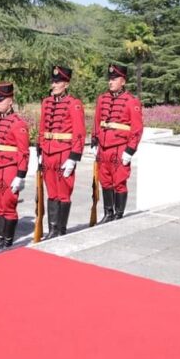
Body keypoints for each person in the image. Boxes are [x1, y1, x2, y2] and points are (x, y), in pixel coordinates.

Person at [37, 65, 85, 238]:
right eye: (53, 82)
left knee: (63, 193)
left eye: (58, 82)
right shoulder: (46, 102)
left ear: (66, 84)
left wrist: (73, 157)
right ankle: (52, 230)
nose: (54, 85)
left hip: (64, 153)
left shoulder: (74, 104)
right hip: (48, 152)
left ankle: (61, 230)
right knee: (51, 192)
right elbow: (42, 128)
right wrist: (40, 152)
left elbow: (79, 132)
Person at [92, 64, 143, 222]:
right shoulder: (102, 99)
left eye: (114, 79)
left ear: (123, 81)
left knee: (119, 182)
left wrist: (130, 150)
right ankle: (108, 214)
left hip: (120, 147)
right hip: (104, 148)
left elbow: (137, 129)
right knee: (105, 181)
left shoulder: (131, 101)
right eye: (110, 79)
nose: (111, 82)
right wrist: (94, 141)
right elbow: (97, 122)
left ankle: (118, 215)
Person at [0, 83, 29, 250]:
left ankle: (7, 241)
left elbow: (23, 152)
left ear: (10, 101)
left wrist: (21, 175)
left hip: (9, 168)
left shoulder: (18, 123)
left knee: (7, 204)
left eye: (1, 100)